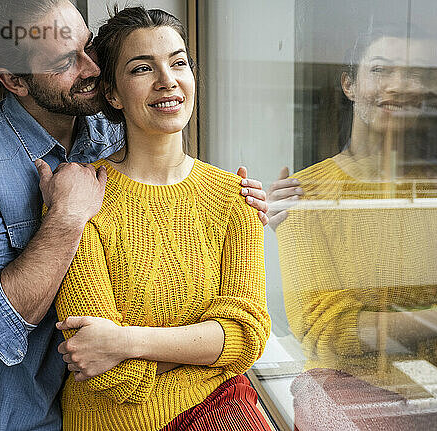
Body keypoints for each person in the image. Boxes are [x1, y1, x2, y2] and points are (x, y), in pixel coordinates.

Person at [0, 1, 267, 429]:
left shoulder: (111, 130)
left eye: (88, 46)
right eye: (67, 60)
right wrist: (66, 217)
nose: (92, 67)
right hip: (20, 410)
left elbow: (242, 330)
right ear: (14, 80)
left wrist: (234, 205)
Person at [269, 29, 437, 429]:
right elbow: (323, 330)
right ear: (349, 84)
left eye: (416, 75)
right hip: (346, 391)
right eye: (380, 70)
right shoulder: (306, 194)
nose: (398, 86)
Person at [52, 7, 272, 430]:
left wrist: (127, 341)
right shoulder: (81, 196)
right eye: (141, 68)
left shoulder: (234, 198)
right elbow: (102, 365)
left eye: (178, 62)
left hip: (218, 414)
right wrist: (207, 355)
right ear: (113, 94)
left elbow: (246, 339)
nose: (167, 80)